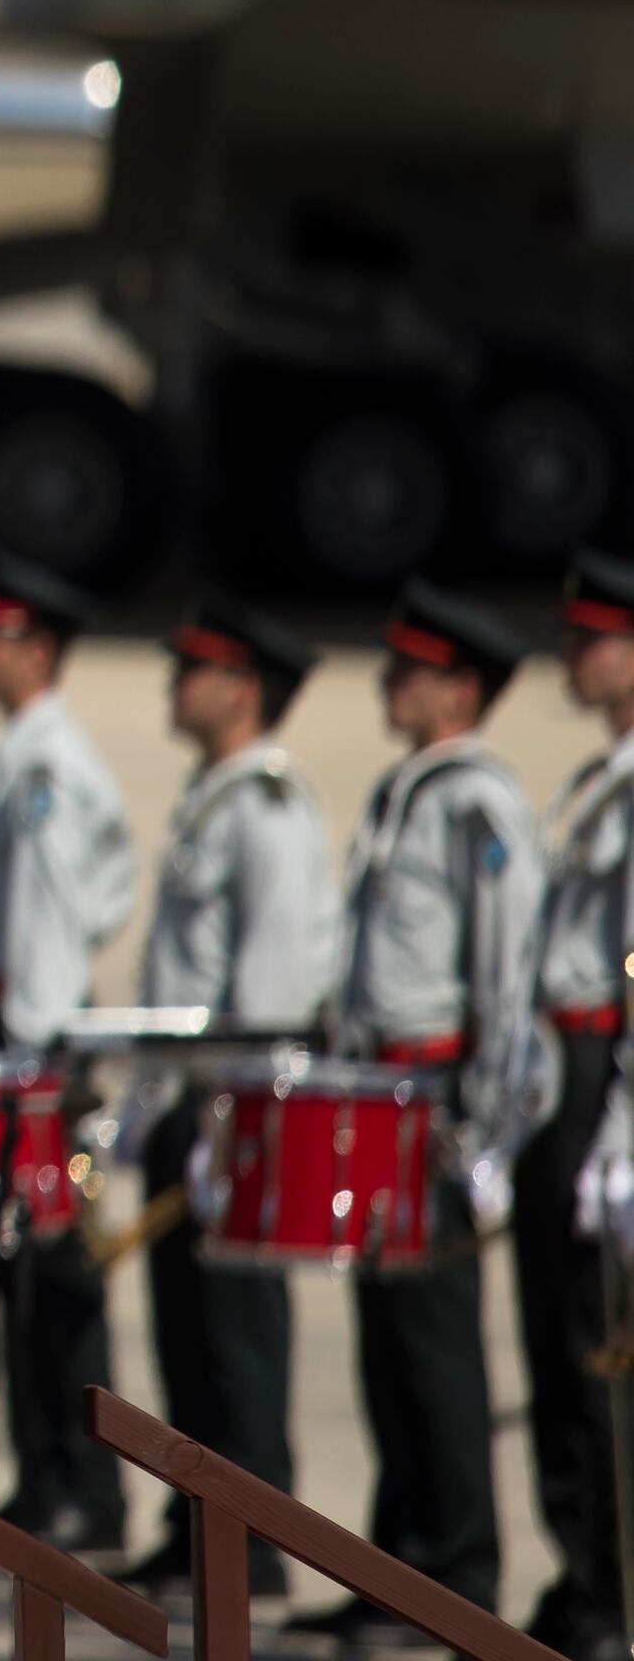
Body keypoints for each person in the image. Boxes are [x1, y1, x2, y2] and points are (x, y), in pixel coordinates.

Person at [310, 584, 550, 1648]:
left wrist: (490, 1122)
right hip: (378, 1092)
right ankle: (394, 1557)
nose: (385, 683)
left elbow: (504, 972)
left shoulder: (478, 801)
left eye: (408, 669)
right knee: (387, 1346)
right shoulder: (404, 789)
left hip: (436, 1097)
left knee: (439, 1348)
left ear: (459, 688)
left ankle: (455, 1573)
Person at [113, 597, 331, 1600]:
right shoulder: (214, 795)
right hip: (188, 1102)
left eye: (194, 670)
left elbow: (273, 988)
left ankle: (254, 1534)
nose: (174, 686)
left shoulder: (267, 808)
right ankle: (197, 1517)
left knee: (236, 1333)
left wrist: (227, 1118)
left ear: (242, 688)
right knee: (185, 1332)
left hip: (231, 1109)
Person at [0, 552, 138, 1553]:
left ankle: (83, 1486)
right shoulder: (22, 755)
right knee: (17, 1274)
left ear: (36, 649)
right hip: (17, 1035)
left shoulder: (47, 767)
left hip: (34, 1043)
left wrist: (32, 1056)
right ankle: (45, 1474)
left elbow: (57, 921)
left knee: (55, 1277)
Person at [524, 551, 634, 1661]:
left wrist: (623, 1125)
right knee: (562, 1347)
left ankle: (614, 1589)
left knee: (602, 1354)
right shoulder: (598, 778)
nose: (572, 656)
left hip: (610, 1073)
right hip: (566, 1071)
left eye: (593, 638)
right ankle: (582, 1573)